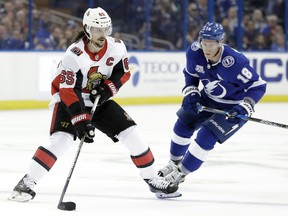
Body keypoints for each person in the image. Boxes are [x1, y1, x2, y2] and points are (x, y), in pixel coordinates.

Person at [9, 7, 179, 202]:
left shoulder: (117, 47)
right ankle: (27, 182)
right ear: (88, 29)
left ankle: (152, 179)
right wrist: (81, 121)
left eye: (106, 29)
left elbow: (123, 72)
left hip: (99, 101)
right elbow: (68, 90)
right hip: (69, 101)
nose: (103, 34)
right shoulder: (74, 55)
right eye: (98, 30)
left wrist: (108, 88)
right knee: (61, 141)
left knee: (133, 134)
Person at [158, 22, 267, 186]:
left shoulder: (235, 62)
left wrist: (245, 106)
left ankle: (180, 174)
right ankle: (173, 163)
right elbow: (190, 74)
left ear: (220, 42)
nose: (206, 48)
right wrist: (191, 91)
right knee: (182, 125)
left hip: (233, 107)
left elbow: (258, 86)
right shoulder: (195, 52)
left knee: (205, 136)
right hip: (208, 98)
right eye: (204, 42)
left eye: (211, 44)